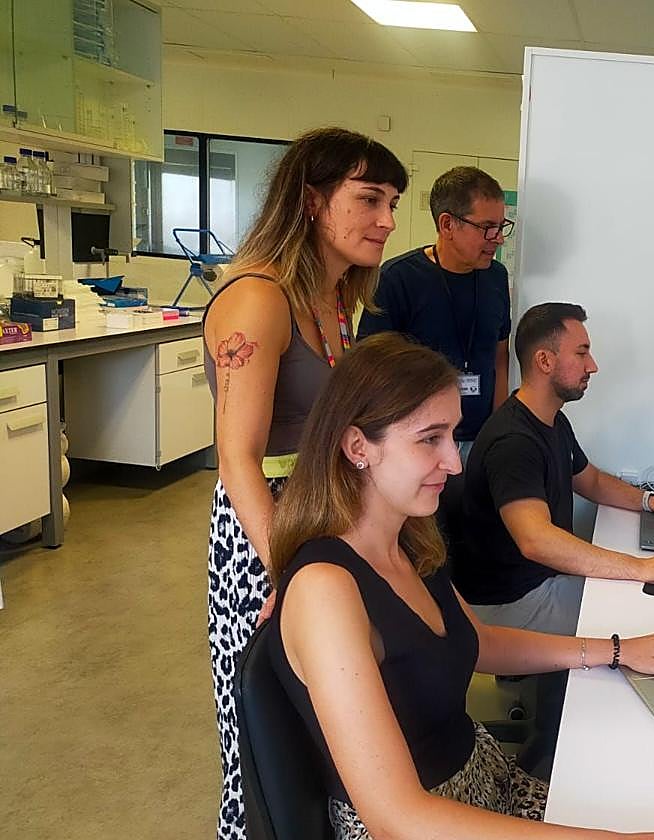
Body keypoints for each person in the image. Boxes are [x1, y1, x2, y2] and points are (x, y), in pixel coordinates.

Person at [267, 333, 654, 840]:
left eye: (453, 436)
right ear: (359, 447)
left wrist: (618, 651)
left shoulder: (408, 540)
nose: (455, 461)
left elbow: (481, 642)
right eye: (430, 439)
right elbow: (398, 819)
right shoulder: (326, 590)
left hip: (486, 787)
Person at [202, 126, 408, 840]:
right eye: (370, 199)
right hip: (269, 537)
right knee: (270, 740)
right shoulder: (259, 298)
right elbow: (238, 459)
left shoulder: (337, 298)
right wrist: (289, 575)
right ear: (313, 200)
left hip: (326, 524)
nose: (387, 220)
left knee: (342, 725)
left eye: (393, 202)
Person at [455, 302, 654, 637]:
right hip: (510, 601)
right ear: (545, 361)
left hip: (539, 579)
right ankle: (548, 684)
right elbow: (536, 540)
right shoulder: (514, 441)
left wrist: (653, 502)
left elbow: (591, 481)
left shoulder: (551, 419)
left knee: (637, 591)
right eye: (582, 353)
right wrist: (643, 567)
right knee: (638, 611)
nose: (593, 366)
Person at [356, 166, 513, 454]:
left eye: (502, 227)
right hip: (419, 441)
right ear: (447, 225)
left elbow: (500, 357)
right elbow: (371, 368)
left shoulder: (496, 277)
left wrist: (498, 429)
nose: (499, 238)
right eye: (488, 228)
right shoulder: (397, 280)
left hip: (483, 439)